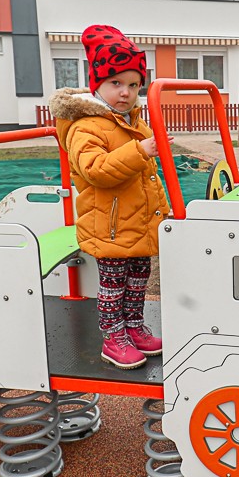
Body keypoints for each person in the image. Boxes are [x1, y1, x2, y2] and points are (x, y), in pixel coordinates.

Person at [49, 25, 169, 370]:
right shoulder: (86, 126)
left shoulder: (133, 122)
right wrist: (139, 151)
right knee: (114, 286)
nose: (125, 92)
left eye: (133, 84)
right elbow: (95, 170)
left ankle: (134, 327)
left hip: (138, 224)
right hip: (110, 226)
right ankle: (113, 339)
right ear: (97, 84)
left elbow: (149, 178)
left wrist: (162, 211)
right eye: (116, 83)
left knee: (138, 280)